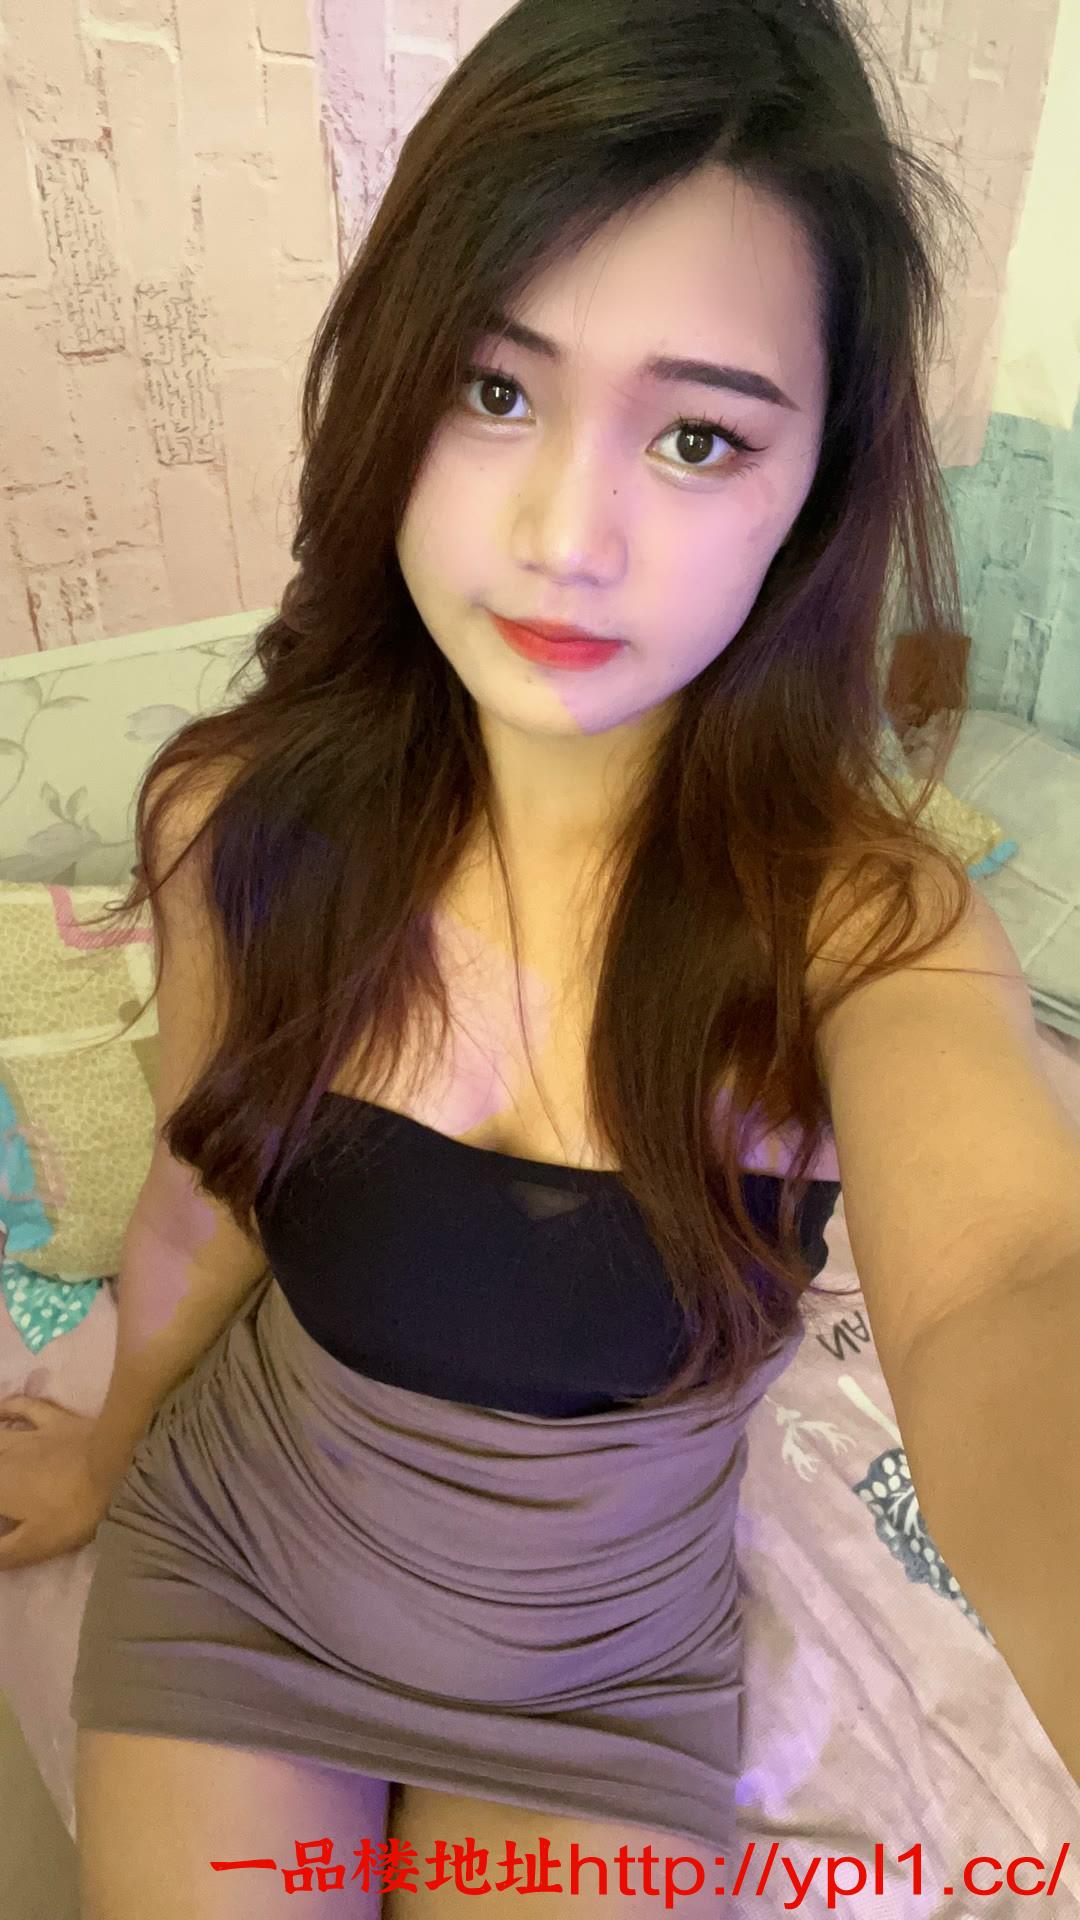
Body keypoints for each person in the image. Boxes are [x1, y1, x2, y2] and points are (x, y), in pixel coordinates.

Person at [3, 0, 1062, 1913]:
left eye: (696, 435)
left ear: (814, 490)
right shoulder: (242, 820)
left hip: (604, 1684)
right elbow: (201, 1189)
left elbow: (1010, 1279)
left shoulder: (865, 931)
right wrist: (99, 1445)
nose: (568, 536)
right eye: (494, 390)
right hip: (243, 1580)